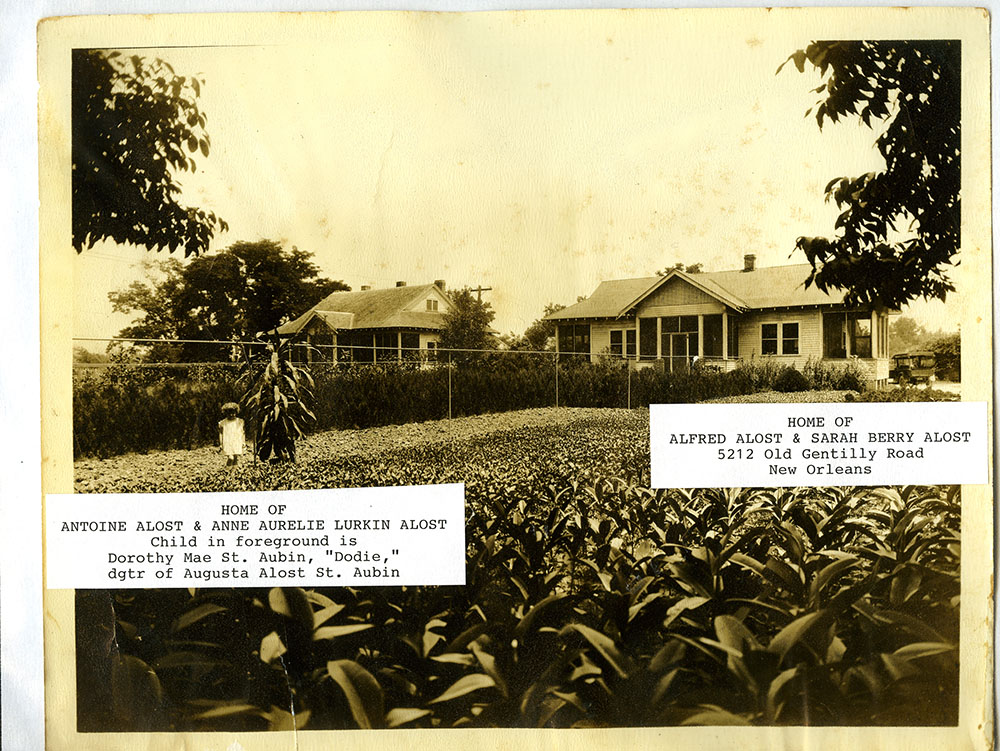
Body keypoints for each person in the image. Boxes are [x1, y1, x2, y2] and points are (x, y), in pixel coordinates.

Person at [218, 402, 245, 466]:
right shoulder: (223, 423)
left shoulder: (240, 421)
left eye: (233, 413)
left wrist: (243, 441)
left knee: (235, 458)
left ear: (236, 412)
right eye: (229, 413)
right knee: (231, 458)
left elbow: (242, 432)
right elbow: (221, 433)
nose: (231, 415)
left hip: (236, 441)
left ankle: (233, 473)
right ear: (226, 413)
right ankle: (227, 471)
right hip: (227, 442)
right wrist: (221, 444)